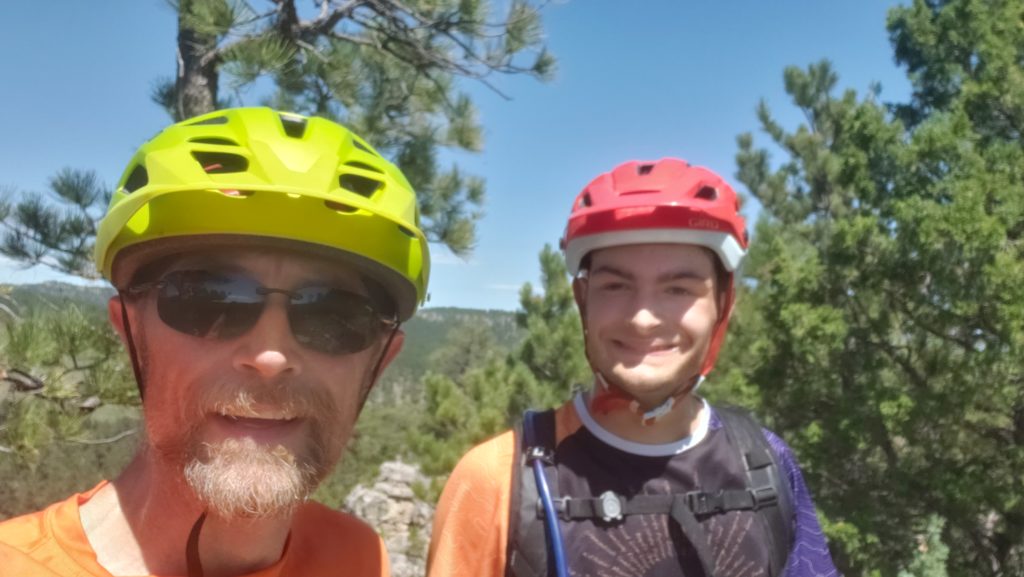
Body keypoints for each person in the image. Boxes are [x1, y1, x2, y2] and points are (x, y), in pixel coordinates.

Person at [0, 107, 430, 577]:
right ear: (129, 333)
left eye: (334, 315)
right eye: (208, 300)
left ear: (380, 363)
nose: (271, 355)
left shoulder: (358, 558)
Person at [426, 158, 839, 577]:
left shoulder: (765, 464)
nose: (643, 318)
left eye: (678, 288)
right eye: (616, 285)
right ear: (582, 300)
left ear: (723, 304)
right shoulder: (500, 478)